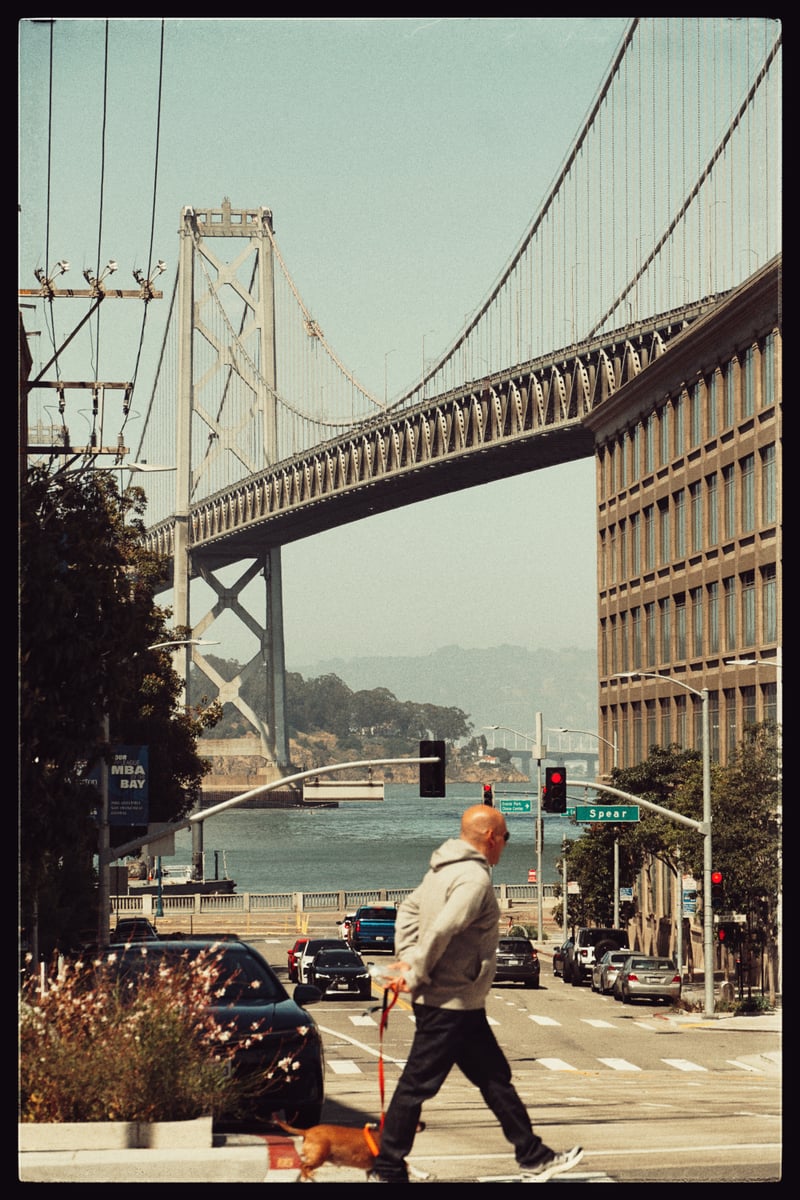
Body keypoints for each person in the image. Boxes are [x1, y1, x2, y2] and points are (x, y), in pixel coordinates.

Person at [367, 804, 583, 1184]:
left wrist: (405, 956)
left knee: (495, 1078)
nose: (504, 846)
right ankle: (387, 1165)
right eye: (505, 838)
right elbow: (441, 930)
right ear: (490, 837)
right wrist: (414, 971)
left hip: (461, 1001)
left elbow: (408, 911)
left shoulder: (441, 871)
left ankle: (532, 1154)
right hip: (448, 1002)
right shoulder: (473, 880)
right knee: (417, 1086)